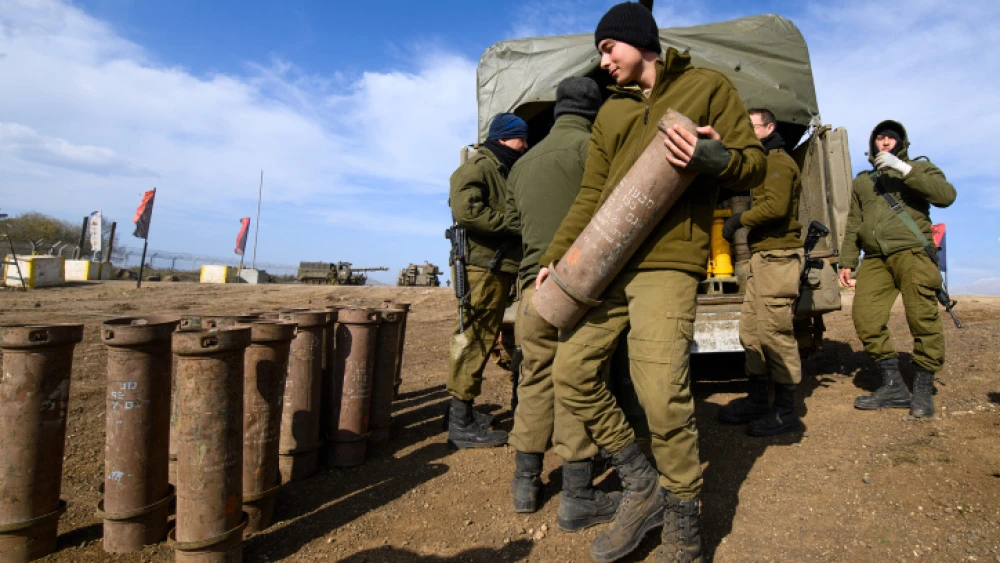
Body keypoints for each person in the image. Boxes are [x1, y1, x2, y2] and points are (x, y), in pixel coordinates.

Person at [536, 3, 766, 562]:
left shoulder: (706, 86)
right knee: (571, 372)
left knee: (661, 393)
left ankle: (684, 528)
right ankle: (643, 486)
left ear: (638, 41)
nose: (603, 61)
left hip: (667, 262)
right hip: (606, 264)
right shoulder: (611, 112)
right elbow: (590, 196)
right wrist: (557, 256)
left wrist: (714, 157)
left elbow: (752, 163)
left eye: (607, 48)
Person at [504, 77, 621, 531]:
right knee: (578, 381)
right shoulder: (594, 151)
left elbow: (514, 224)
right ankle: (577, 495)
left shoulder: (522, 163)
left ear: (557, 111)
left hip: (532, 291)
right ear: (595, 112)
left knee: (534, 379)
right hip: (579, 289)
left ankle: (525, 485)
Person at [839, 120, 956, 418]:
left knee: (922, 318)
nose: (885, 142)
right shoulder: (864, 181)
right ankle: (893, 386)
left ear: (901, 142)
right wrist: (847, 260)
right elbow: (854, 222)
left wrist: (904, 169)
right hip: (875, 258)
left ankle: (923, 387)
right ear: (873, 143)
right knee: (865, 318)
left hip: (913, 252)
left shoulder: (919, 169)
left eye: (891, 137)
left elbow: (946, 196)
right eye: (880, 138)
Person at [717, 108, 804, 436]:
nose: (749, 133)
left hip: (779, 257)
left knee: (774, 333)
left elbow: (776, 208)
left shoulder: (778, 162)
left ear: (769, 128)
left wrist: (739, 220)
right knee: (751, 332)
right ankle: (757, 400)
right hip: (763, 257)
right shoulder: (762, 162)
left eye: (753, 127)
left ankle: (785, 410)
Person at [446, 113, 528, 449]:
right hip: (483, 267)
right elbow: (466, 211)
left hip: (495, 265)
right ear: (503, 138)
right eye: (521, 139)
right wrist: (511, 225)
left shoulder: (501, 168)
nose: (525, 145)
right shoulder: (479, 167)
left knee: (479, 337)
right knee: (474, 338)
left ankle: (462, 413)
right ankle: (460, 423)